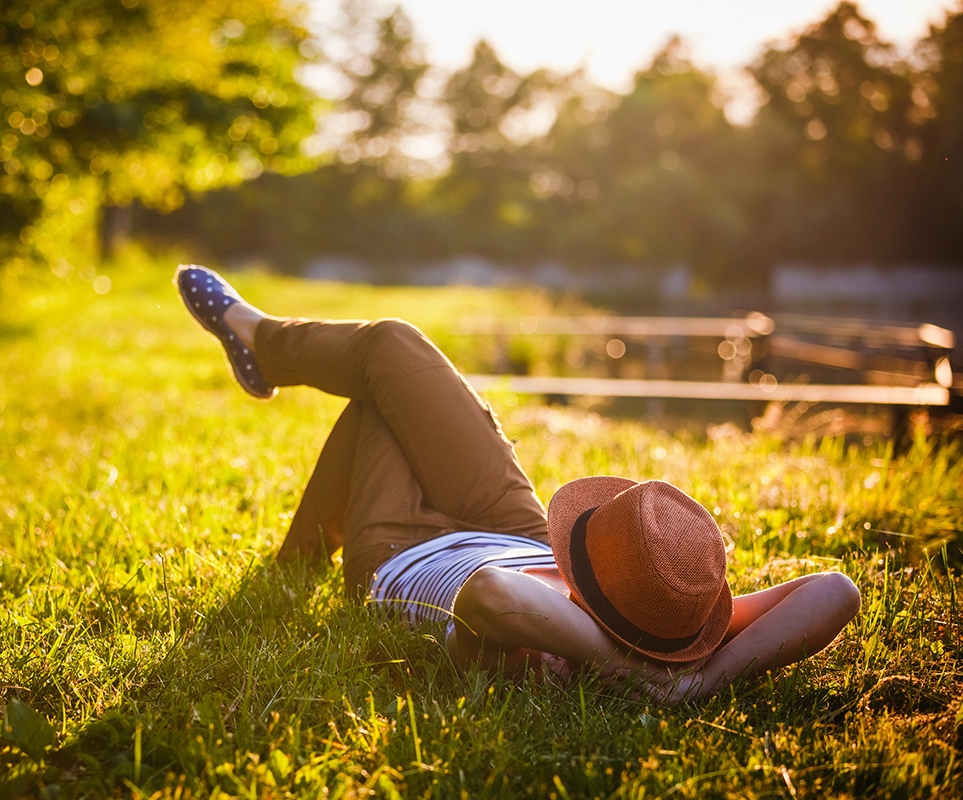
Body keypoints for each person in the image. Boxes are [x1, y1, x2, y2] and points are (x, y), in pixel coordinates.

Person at [175, 264, 862, 703]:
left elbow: (490, 593)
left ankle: (257, 341)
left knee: (378, 386)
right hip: (520, 531)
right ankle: (262, 348)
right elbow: (835, 590)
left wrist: (637, 677)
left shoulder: (543, 654)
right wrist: (696, 681)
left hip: (405, 553)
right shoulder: (671, 615)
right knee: (391, 346)